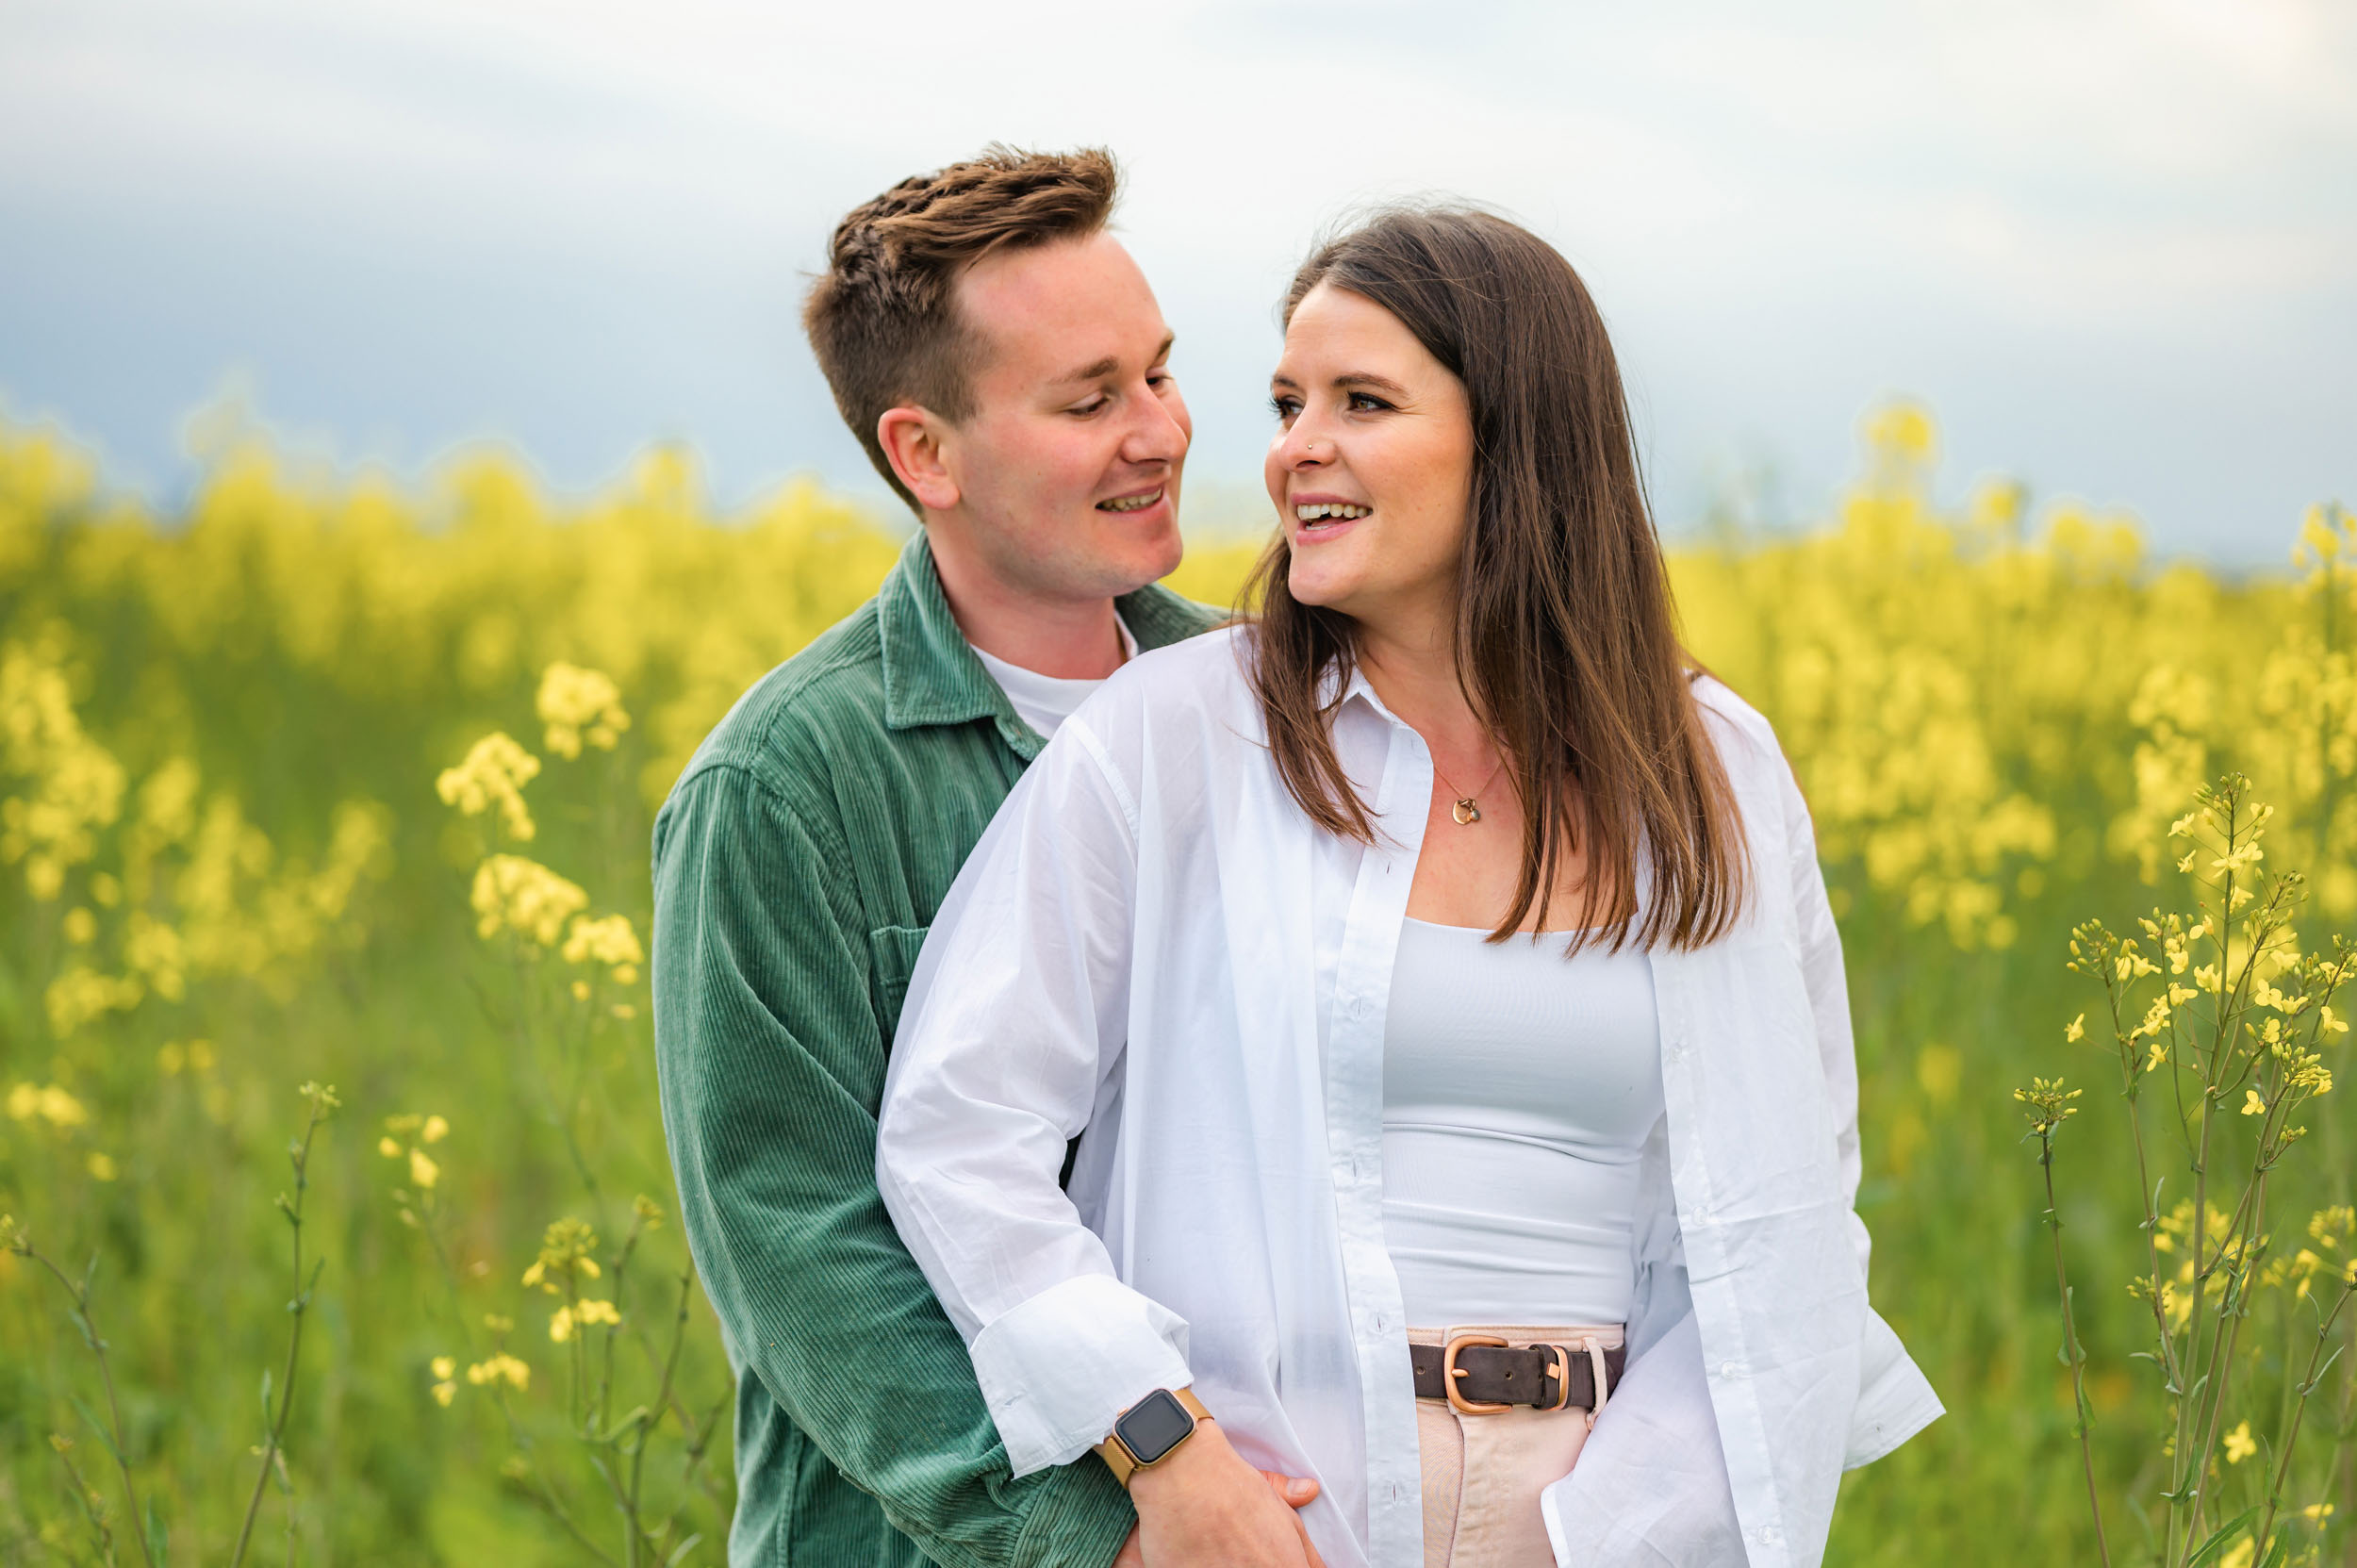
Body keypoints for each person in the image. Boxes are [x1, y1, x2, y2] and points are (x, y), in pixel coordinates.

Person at [876, 206, 1944, 1568]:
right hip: (1270, 1515)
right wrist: (1158, 1446)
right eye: (1286, 401)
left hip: (1604, 1518)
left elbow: (1781, 1218)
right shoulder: (1175, 738)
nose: (1291, 450)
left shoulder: (1713, 773)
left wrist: (1603, 1540)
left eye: (1361, 402)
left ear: (1515, 438)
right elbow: (958, 1127)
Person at [651, 146, 1321, 1568]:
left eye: (1159, 372)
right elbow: (803, 1252)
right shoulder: (781, 791)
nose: (1162, 431)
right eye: (1090, 401)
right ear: (925, 453)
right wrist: (1103, 1530)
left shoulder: (1283, 709)